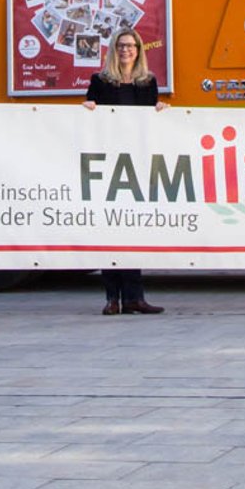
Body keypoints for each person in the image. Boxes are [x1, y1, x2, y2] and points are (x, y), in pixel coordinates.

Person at [83, 28, 169, 315]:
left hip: (136, 163)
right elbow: (89, 116)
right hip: (107, 162)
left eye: (131, 46)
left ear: (139, 50)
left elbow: (149, 124)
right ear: (113, 49)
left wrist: (160, 112)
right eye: (121, 45)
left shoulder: (148, 82)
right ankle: (112, 298)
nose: (126, 50)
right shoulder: (100, 80)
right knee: (108, 229)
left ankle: (134, 297)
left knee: (132, 229)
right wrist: (88, 108)